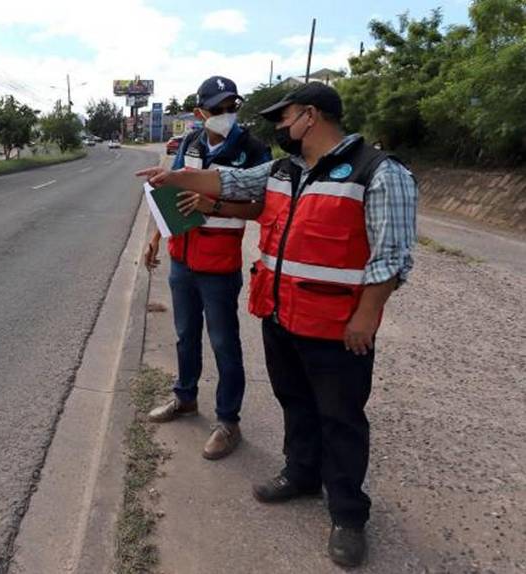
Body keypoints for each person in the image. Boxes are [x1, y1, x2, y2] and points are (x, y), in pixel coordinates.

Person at [135, 83, 418, 567]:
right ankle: (302, 474)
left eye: (284, 119)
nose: (280, 128)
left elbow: (392, 257)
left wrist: (367, 316)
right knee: (296, 402)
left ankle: (348, 514)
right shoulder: (284, 170)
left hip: (338, 326)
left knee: (341, 419)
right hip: (282, 315)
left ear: (310, 116)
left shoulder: (379, 173)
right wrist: (177, 177)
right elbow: (231, 185)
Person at [144, 76, 271, 461]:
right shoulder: (191, 142)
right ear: (201, 113)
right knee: (185, 334)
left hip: (218, 262)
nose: (226, 115)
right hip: (182, 256)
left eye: (232, 107)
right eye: (217, 109)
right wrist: (154, 238)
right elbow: (168, 189)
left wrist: (212, 205)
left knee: (223, 342)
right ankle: (185, 398)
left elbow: (261, 207)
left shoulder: (253, 150)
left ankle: (228, 421)